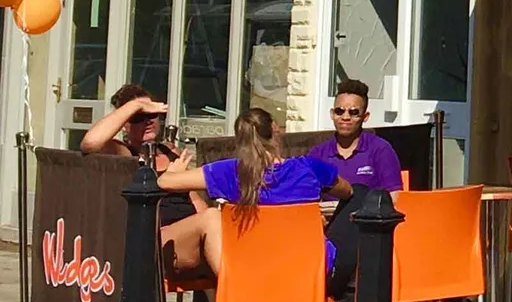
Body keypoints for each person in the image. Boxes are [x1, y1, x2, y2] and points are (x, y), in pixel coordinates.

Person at [156, 109, 353, 279]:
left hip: (253, 268)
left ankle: (233, 295)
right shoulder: (310, 168)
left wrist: (174, 170)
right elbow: (348, 191)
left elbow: (164, 182)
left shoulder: (232, 172)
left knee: (212, 220)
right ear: (275, 129)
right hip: (310, 270)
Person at [80, 83, 200, 229]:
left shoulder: (171, 152)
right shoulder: (124, 154)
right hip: (157, 236)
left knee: (214, 217)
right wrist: (135, 105)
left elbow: (195, 200)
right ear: (124, 124)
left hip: (192, 230)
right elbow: (90, 143)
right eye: (138, 117)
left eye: (151, 114)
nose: (147, 121)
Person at [307, 79, 404, 192]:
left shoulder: (381, 150)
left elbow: (395, 195)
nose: (345, 117)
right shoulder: (318, 154)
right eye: (339, 111)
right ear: (332, 114)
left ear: (365, 117)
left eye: (353, 112)